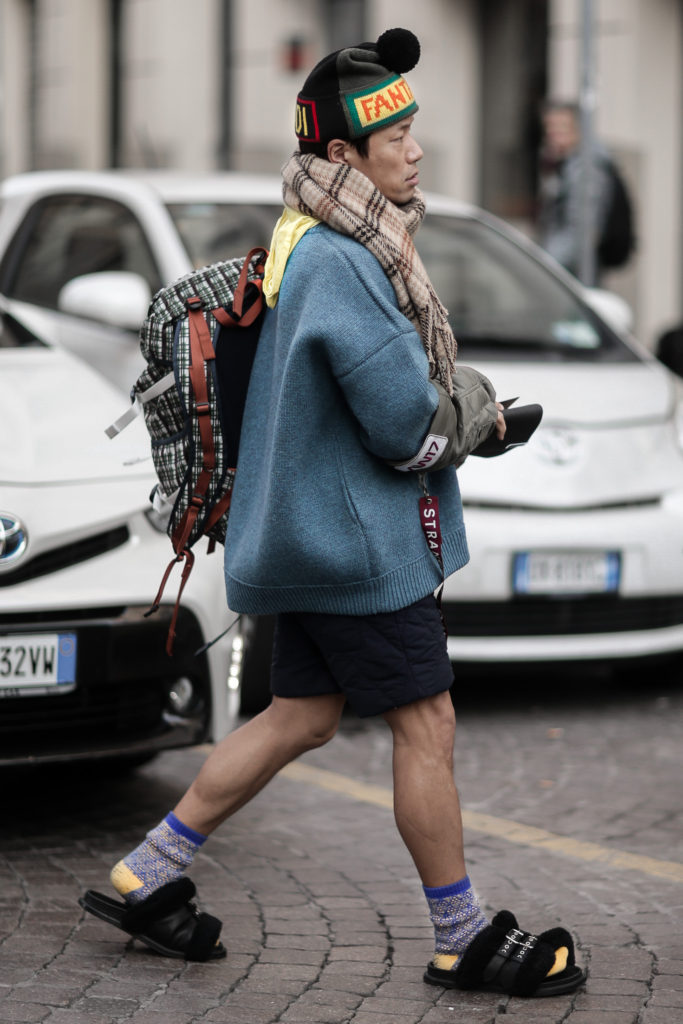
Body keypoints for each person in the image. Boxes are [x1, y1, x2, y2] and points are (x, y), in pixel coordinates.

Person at [80, 29, 585, 998]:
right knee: (425, 721)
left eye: (410, 124)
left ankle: (147, 871)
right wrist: (476, 411)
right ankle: (462, 935)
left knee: (299, 716)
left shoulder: (305, 235)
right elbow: (402, 426)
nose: (413, 147)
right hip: (355, 547)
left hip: (302, 534)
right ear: (338, 156)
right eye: (388, 134)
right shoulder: (345, 262)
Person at [536, 100, 618, 281]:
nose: (552, 133)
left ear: (579, 129)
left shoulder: (585, 167)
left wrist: (546, 267)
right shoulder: (565, 163)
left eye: (561, 127)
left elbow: (580, 228)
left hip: (574, 274)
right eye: (549, 127)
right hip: (568, 270)